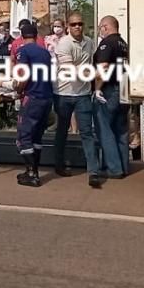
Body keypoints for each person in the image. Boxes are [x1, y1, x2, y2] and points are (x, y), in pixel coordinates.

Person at [52, 12, 99, 186]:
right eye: (73, 24)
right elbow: (70, 70)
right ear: (67, 27)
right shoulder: (63, 44)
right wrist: (92, 74)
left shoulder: (89, 42)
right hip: (63, 93)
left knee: (87, 132)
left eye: (80, 24)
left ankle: (93, 171)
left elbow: (92, 64)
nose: (77, 27)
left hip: (83, 94)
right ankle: (59, 165)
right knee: (62, 131)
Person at [13, 23, 54, 187]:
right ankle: (33, 170)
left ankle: (32, 174)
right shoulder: (45, 52)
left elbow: (23, 76)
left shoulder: (23, 51)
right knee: (37, 136)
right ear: (37, 36)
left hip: (33, 97)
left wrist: (17, 89)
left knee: (24, 136)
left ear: (22, 37)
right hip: (46, 98)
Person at [92, 15, 130, 179]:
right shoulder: (124, 44)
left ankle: (114, 169)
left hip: (110, 90)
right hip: (124, 89)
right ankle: (123, 166)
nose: (100, 31)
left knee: (104, 128)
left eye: (101, 27)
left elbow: (103, 68)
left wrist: (97, 89)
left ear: (106, 27)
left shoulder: (107, 43)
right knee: (120, 130)